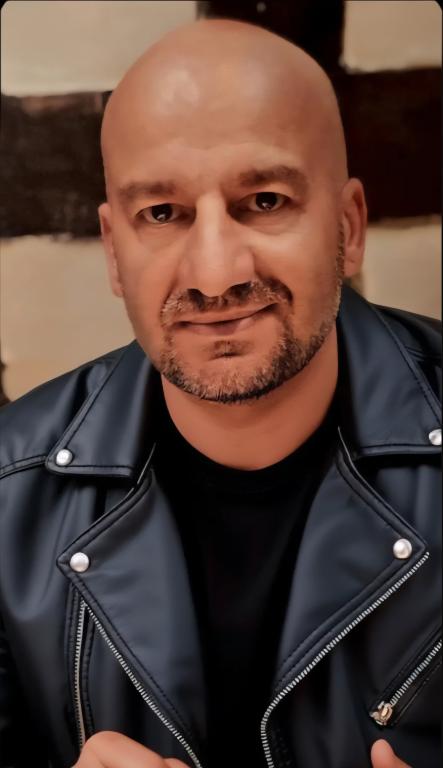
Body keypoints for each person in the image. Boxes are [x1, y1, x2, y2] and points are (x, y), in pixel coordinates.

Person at [0, 16, 441, 768]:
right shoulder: (10, 495)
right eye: (162, 214)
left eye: (264, 201)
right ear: (115, 253)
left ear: (348, 226)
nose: (214, 274)